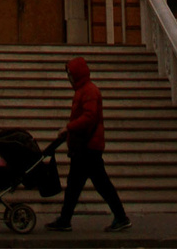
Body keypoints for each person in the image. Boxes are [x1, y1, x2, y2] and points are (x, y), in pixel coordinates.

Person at [46, 56, 131, 233]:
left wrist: (68, 128)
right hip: (85, 146)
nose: (69, 77)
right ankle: (65, 219)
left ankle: (119, 217)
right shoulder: (83, 90)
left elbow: (89, 117)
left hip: (88, 146)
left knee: (91, 184)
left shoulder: (88, 91)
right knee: (80, 185)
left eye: (70, 73)